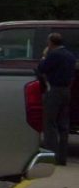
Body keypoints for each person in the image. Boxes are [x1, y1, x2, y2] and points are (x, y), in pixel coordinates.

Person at [36, 33, 76, 166]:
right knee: (63, 125)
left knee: (50, 123)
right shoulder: (70, 56)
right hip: (66, 90)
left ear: (51, 43)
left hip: (54, 90)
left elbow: (41, 68)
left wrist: (43, 57)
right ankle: (62, 157)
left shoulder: (53, 55)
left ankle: (51, 156)